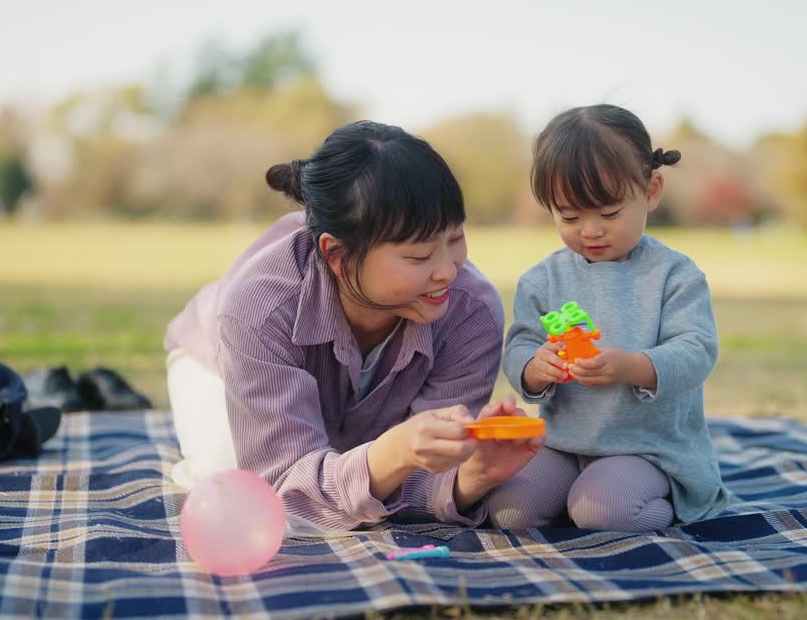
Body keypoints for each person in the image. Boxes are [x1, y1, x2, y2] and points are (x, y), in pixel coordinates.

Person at [164, 121, 542, 533]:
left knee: (354, 468)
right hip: (216, 365)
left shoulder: (471, 311)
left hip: (354, 430)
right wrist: (393, 453)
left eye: (455, 239)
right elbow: (286, 491)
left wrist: (471, 477)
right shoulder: (259, 308)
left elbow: (430, 474)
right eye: (418, 257)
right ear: (337, 255)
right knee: (234, 482)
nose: (447, 272)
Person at [487, 104, 729, 532]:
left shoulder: (673, 274)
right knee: (509, 510)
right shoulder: (542, 280)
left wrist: (632, 367)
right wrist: (534, 368)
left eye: (609, 213)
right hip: (563, 443)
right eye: (570, 216)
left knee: (605, 511)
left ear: (651, 191)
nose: (591, 230)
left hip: (647, 448)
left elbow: (697, 351)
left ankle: (657, 502)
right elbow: (520, 347)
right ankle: (579, 498)